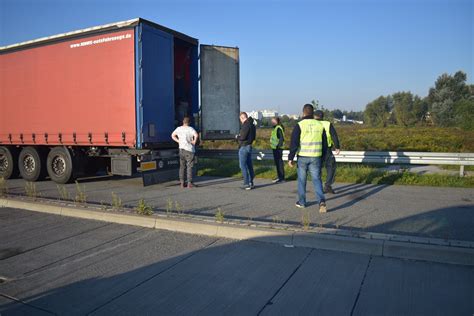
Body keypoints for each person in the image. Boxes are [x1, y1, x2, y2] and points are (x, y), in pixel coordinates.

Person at [288, 104, 327, 213]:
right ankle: (321, 201)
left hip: (303, 157)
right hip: (316, 157)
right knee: (316, 179)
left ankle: (302, 202)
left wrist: (290, 157)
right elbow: (324, 144)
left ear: (303, 112)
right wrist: (323, 157)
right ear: (313, 112)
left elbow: (294, 143)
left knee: (302, 180)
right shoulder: (319, 125)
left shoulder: (299, 125)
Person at [314, 110, 341, 194]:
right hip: (326, 150)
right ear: (322, 116)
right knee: (331, 166)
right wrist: (337, 146)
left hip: (314, 149)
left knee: (316, 168)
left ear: (314, 116)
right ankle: (328, 185)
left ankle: (318, 186)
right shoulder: (327, 124)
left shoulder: (311, 124)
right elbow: (334, 135)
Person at [171, 116, 199, 188]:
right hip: (189, 150)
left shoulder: (178, 129)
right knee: (189, 166)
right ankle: (189, 183)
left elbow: (172, 135)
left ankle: (182, 183)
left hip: (181, 149)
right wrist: (194, 142)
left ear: (183, 122)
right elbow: (196, 135)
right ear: (189, 122)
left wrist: (178, 141)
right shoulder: (190, 129)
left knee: (182, 166)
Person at [236, 112, 256, 190]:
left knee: (243, 165)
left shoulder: (245, 125)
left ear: (242, 117)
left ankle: (246, 183)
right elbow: (254, 137)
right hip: (249, 146)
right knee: (249, 165)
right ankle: (251, 182)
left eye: (240, 119)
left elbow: (242, 137)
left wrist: (237, 137)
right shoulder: (252, 125)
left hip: (244, 146)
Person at [270, 117, 285, 183]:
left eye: (273, 121)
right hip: (275, 148)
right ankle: (279, 177)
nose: (272, 123)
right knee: (277, 163)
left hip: (278, 148)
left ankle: (281, 178)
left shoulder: (278, 128)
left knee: (279, 163)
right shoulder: (276, 128)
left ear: (276, 121)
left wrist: (278, 146)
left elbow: (281, 138)